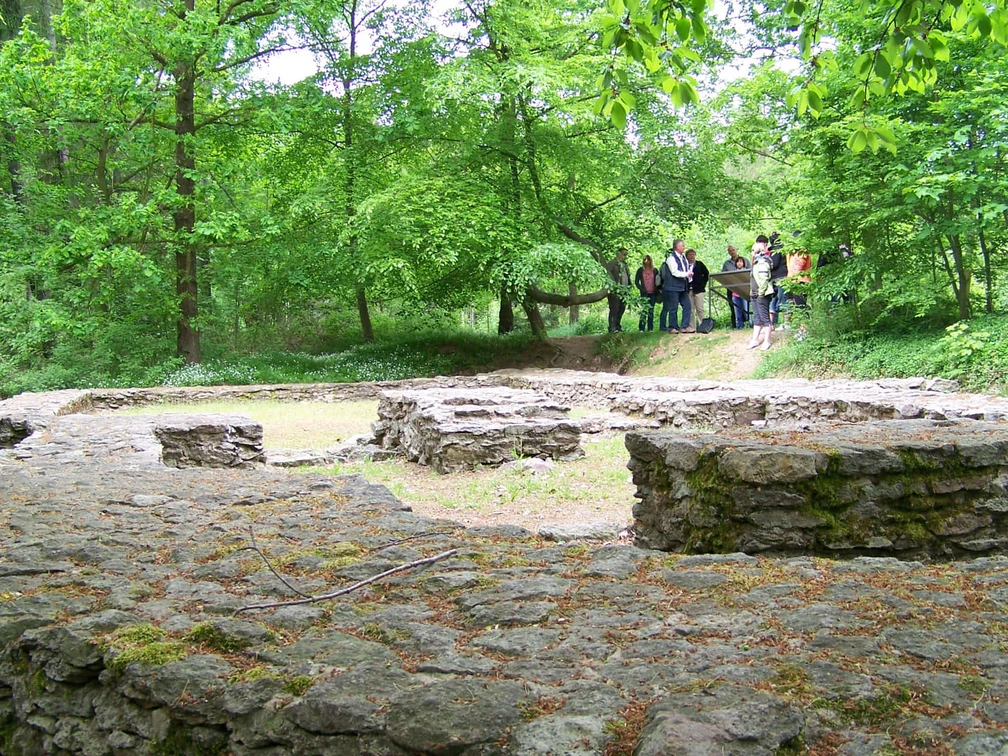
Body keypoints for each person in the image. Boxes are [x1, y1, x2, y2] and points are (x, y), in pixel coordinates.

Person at [659, 239, 692, 333]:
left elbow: (685, 269)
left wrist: (688, 276)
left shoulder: (684, 258)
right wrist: (686, 274)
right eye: (682, 245)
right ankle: (672, 327)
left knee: (687, 306)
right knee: (673, 308)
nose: (684, 247)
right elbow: (674, 272)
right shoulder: (671, 259)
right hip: (672, 287)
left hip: (683, 286)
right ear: (677, 247)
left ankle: (684, 326)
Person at [749, 241, 773, 351]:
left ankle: (767, 341)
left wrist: (761, 293)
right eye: (752, 250)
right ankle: (754, 340)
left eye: (754, 250)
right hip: (754, 293)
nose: (752, 252)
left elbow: (764, 279)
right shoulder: (756, 262)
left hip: (761, 294)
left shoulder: (763, 262)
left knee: (765, 318)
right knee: (757, 318)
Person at [605, 248, 630, 333]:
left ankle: (617, 325)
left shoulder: (625, 265)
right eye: (624, 254)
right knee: (614, 308)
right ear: (619, 253)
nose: (625, 256)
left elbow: (627, 277)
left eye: (626, 255)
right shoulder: (612, 264)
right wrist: (614, 286)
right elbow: (607, 276)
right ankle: (612, 327)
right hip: (615, 291)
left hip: (624, 291)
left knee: (621, 308)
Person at [634, 254, 661, 332]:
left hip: (653, 293)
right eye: (645, 260)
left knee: (651, 310)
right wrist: (641, 288)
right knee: (644, 310)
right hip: (644, 293)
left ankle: (650, 328)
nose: (646, 262)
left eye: (648, 260)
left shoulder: (655, 270)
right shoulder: (640, 270)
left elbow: (658, 280)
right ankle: (641, 328)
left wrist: (657, 289)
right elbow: (636, 281)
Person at [685, 249, 708, 331]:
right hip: (688, 290)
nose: (691, 256)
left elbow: (706, 274)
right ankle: (692, 327)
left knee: (700, 309)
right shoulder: (685, 265)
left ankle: (703, 326)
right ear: (686, 256)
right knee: (690, 309)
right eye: (690, 255)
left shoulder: (699, 264)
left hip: (699, 289)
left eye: (693, 254)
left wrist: (702, 284)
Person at [731, 255, 749, 331]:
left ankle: (749, 325)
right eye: (738, 262)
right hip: (735, 294)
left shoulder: (747, 272)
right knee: (737, 312)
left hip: (745, 294)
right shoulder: (733, 273)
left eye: (741, 261)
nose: (739, 263)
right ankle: (739, 326)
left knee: (747, 311)